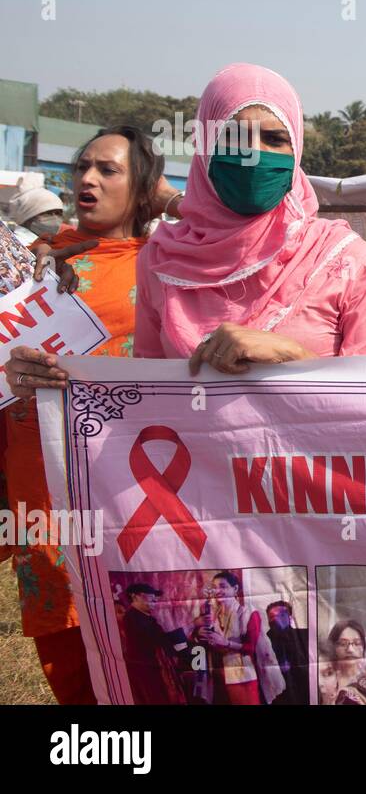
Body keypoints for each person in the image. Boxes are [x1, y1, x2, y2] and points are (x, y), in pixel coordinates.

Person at [3, 123, 179, 705]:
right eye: (83, 166)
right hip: (42, 495)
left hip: (130, 493)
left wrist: (167, 198)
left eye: (109, 170)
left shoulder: (168, 267)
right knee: (71, 666)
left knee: (147, 656)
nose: (88, 178)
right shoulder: (30, 266)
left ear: (144, 188)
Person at [133, 63, 366, 368]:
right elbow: (146, 385)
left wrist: (293, 355)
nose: (254, 153)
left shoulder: (346, 258)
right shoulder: (160, 261)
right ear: (205, 146)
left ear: (297, 149)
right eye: (235, 136)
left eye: (274, 139)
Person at [191, 571, 285, 705]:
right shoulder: (211, 615)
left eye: (223, 586)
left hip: (242, 677)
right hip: (217, 676)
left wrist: (226, 643)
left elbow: (251, 648)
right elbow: (204, 644)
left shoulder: (248, 614)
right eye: (215, 587)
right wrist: (200, 634)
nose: (218, 591)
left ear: (235, 589)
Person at [120, 583, 187, 705]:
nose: (154, 599)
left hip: (155, 668)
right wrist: (189, 627)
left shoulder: (147, 618)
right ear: (135, 597)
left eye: (154, 597)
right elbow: (155, 639)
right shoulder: (131, 618)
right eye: (150, 596)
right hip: (144, 670)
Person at [265, 600, 309, 705]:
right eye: (272, 617)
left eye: (281, 615)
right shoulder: (265, 641)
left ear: (290, 617)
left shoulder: (305, 635)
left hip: (306, 691)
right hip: (279, 697)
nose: (276, 619)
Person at [318, 620, 366, 705]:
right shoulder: (323, 683)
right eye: (343, 644)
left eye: (357, 643)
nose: (350, 650)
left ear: (364, 647)